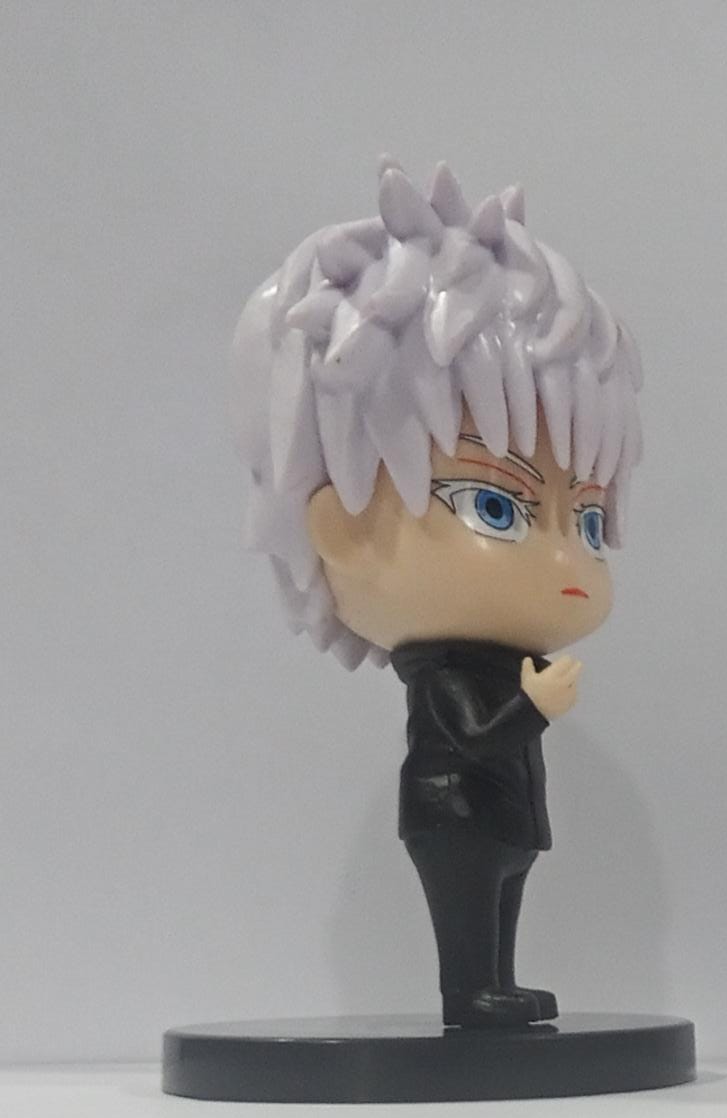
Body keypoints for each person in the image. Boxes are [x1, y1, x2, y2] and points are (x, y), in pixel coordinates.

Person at [230, 158, 643, 1026]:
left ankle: (496, 982)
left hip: (500, 817)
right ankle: (469, 989)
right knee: (469, 904)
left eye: (588, 520)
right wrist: (534, 705)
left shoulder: (507, 656)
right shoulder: (444, 671)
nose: (569, 561)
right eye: (496, 506)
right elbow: (471, 732)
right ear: (342, 529)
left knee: (503, 896)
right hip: (453, 813)